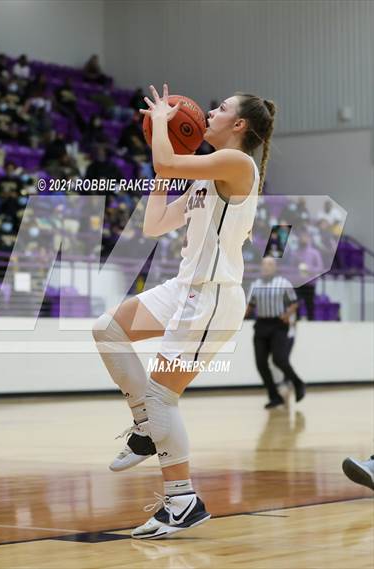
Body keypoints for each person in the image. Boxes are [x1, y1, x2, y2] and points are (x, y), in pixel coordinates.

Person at [92, 83, 276, 539]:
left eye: (221, 107)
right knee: (108, 329)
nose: (210, 110)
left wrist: (159, 127)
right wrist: (163, 170)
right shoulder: (203, 173)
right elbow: (155, 224)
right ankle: (143, 426)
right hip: (184, 288)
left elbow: (165, 161)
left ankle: (182, 501)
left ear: (240, 125)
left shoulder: (237, 163)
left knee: (163, 396)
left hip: (213, 298)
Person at [246, 256, 305, 408]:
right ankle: (274, 396)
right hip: (261, 325)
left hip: (278, 325)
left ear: (275, 267)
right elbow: (250, 307)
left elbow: (294, 304)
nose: (266, 267)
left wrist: (286, 315)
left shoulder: (283, 283)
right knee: (260, 363)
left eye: (270, 264)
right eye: (264, 264)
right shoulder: (255, 285)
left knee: (279, 359)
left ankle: (298, 383)